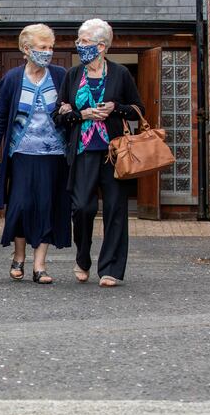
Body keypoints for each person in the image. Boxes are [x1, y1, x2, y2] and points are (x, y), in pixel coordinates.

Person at [55, 18, 144, 287]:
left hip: (114, 152)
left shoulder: (120, 74)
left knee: (116, 210)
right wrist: (80, 114)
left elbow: (139, 110)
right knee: (82, 207)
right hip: (82, 151)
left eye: (83, 41)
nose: (78, 45)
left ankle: (111, 269)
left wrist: (115, 108)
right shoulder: (73, 75)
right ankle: (83, 257)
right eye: (78, 40)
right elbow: (58, 117)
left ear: (101, 45)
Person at [0, 24, 71, 284]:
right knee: (21, 205)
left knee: (46, 206)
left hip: (54, 154)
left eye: (50, 47)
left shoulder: (60, 75)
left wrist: (69, 111)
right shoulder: (12, 78)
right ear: (26, 49)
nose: (48, 52)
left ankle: (39, 266)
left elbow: (73, 109)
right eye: (42, 47)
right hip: (20, 153)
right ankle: (19, 257)